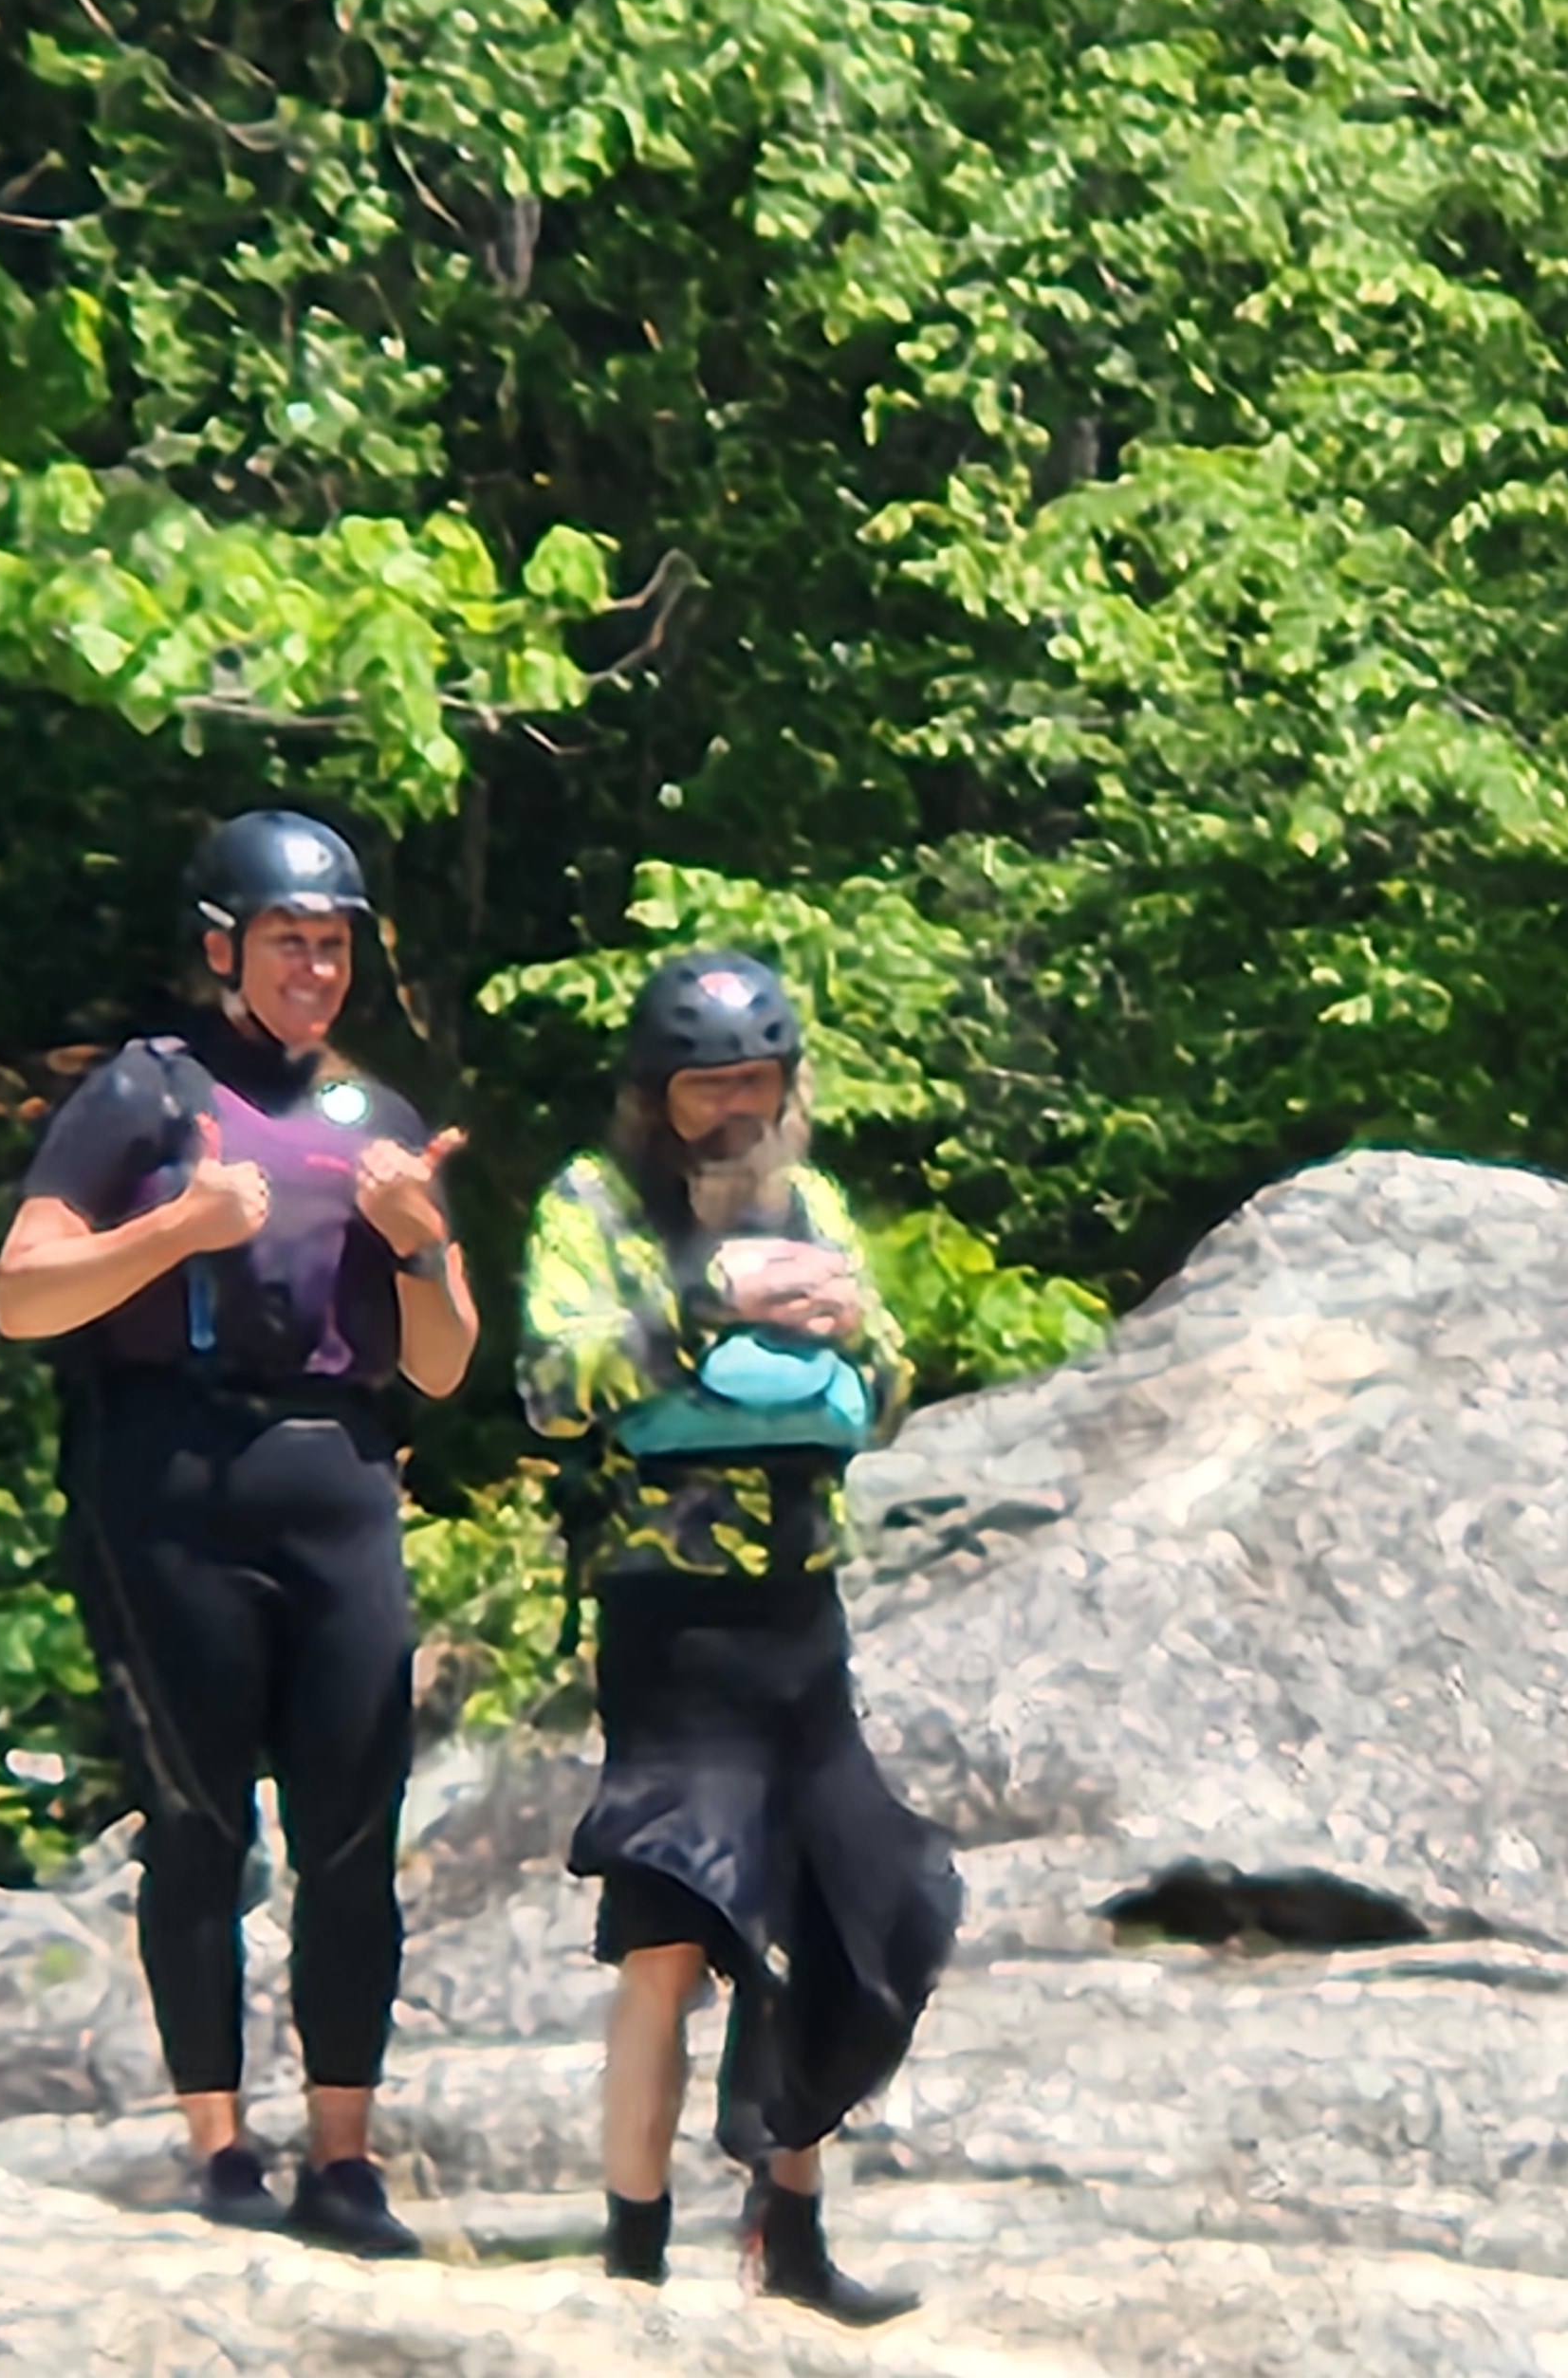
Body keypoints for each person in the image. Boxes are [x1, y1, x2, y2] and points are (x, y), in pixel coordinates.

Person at [0, 809, 475, 2259]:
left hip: (337, 1475)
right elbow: (24, 1294)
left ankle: (344, 2158)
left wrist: (422, 1242)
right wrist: (176, 1231)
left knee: (353, 1826)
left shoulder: (378, 1119)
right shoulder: (147, 1092)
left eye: (332, 946)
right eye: (287, 943)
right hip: (172, 1473)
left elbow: (444, 1364)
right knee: (200, 1819)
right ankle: (219, 2148)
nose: (313, 970)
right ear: (223, 949)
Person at [517, 949, 960, 2324]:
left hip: (798, 1615)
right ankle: (634, 2252)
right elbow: (550, 1383)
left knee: (833, 1915)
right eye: (707, 1087)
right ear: (656, 1095)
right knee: (668, 1929)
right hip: (670, 1620)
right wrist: (707, 1306)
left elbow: (889, 1385)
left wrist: (850, 1331)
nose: (734, 1111)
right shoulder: (593, 1208)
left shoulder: (810, 1204)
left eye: (756, 1083)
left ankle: (794, 2237)